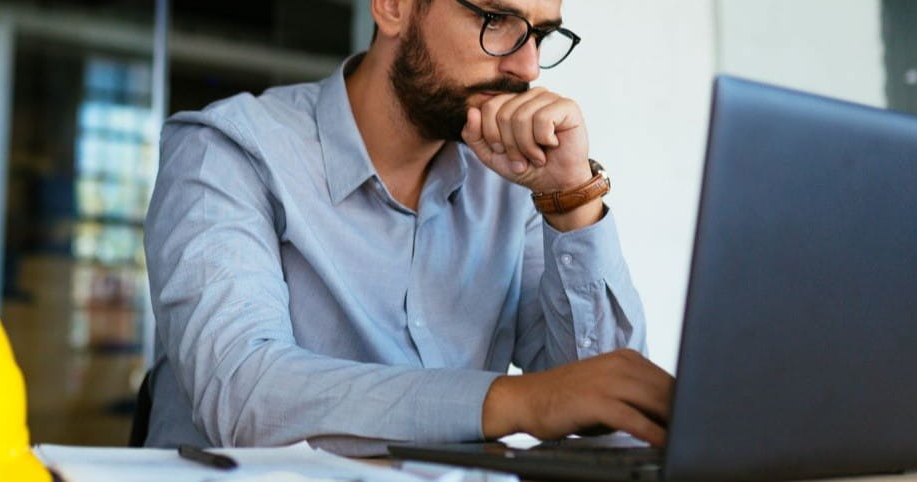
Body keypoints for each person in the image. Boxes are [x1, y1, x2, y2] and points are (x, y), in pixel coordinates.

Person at [142, 0, 674, 456]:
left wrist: (570, 200)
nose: (529, 66)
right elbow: (244, 396)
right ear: (392, 7)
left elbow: (612, 419)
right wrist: (521, 402)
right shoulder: (226, 152)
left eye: (542, 34)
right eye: (496, 19)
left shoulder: (511, 183)